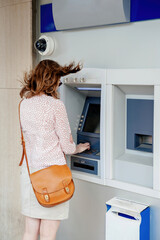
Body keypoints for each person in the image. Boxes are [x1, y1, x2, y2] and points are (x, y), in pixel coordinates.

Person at [19, 59, 90, 240]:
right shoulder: (56, 106)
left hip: (30, 174)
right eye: (58, 79)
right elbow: (67, 147)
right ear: (52, 79)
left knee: (29, 232)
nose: (59, 84)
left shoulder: (24, 103)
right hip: (52, 176)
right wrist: (78, 148)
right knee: (48, 235)